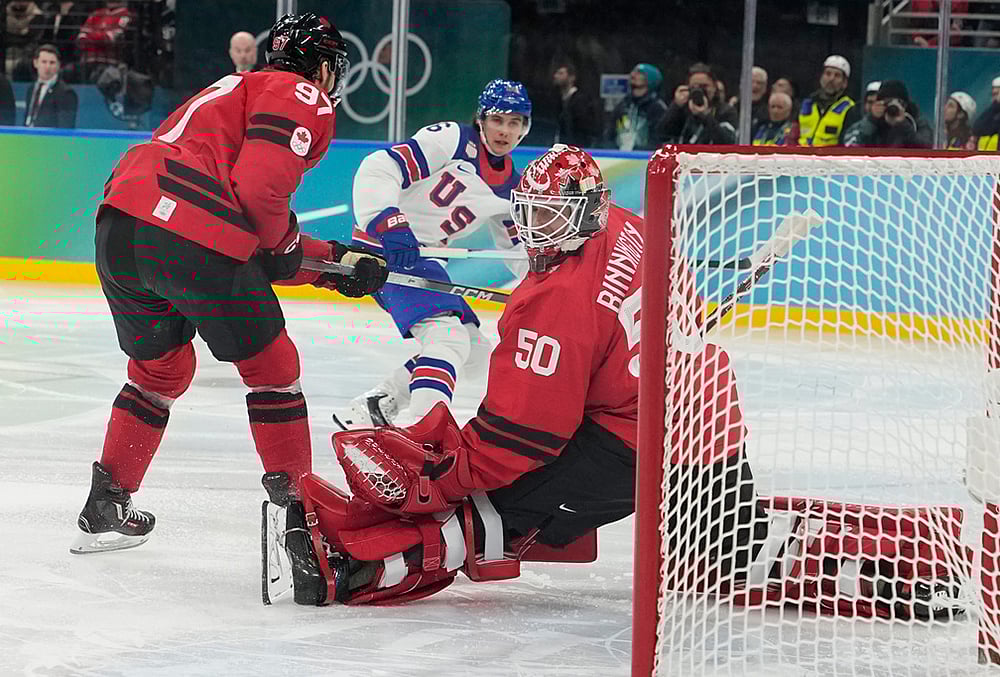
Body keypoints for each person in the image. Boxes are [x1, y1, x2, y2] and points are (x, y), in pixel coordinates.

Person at [270, 145, 971, 622]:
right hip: (701, 413)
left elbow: (521, 439)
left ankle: (351, 566)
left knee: (491, 513)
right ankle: (901, 553)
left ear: (584, 211)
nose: (536, 232)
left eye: (550, 217)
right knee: (726, 553)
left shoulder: (557, 302)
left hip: (638, 441)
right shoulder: (631, 225)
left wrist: (443, 478)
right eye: (530, 214)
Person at [71, 13, 388, 607]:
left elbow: (244, 227)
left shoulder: (234, 88)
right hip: (184, 226)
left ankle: (106, 501)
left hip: (120, 225)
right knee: (274, 368)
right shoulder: (300, 92)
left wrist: (331, 263)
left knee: (161, 370)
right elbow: (260, 196)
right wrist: (306, 258)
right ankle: (304, 533)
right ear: (322, 66)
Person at [333, 79, 530, 430]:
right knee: (448, 339)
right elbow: (379, 166)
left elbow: (517, 251)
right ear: (481, 119)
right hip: (384, 249)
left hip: (424, 262)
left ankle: (378, 404)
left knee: (475, 354)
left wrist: (545, 289)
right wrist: (389, 223)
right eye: (498, 119)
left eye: (514, 122)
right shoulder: (453, 139)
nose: (504, 130)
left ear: (524, 129)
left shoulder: (512, 190)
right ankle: (422, 433)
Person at [659, 62, 737, 145]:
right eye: (694, 87)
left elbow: (728, 141)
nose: (700, 90)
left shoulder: (726, 111)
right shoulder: (683, 109)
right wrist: (676, 105)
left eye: (704, 86)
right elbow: (661, 134)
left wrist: (706, 116)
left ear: (714, 87)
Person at [843, 80, 932, 149]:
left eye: (899, 102)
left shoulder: (914, 120)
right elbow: (850, 145)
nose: (893, 106)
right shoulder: (873, 122)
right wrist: (872, 120)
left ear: (906, 105)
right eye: (888, 102)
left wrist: (904, 125)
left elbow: (927, 147)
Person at [798, 55, 859, 146]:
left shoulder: (850, 109)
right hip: (800, 153)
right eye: (828, 73)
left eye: (837, 75)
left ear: (844, 83)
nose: (831, 79)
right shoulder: (806, 104)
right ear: (821, 77)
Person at [605, 63, 667, 151]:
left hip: (644, 156)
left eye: (640, 73)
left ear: (650, 79)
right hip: (619, 155)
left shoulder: (657, 107)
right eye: (633, 71)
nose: (633, 75)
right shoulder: (623, 104)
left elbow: (658, 137)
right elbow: (610, 131)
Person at [24, 44, 77, 128]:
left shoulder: (66, 93)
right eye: (44, 62)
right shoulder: (31, 89)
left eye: (52, 63)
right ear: (35, 63)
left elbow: (65, 127)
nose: (47, 67)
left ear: (58, 65)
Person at [552, 62, 598, 147]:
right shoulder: (557, 100)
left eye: (561, 73)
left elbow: (585, 128)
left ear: (571, 78)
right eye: (556, 73)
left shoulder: (581, 101)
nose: (556, 76)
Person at [972, 77, 1000, 151]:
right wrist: (995, 105)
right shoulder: (992, 116)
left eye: (997, 94)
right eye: (993, 94)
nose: (996, 98)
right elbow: (977, 129)